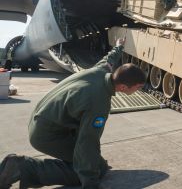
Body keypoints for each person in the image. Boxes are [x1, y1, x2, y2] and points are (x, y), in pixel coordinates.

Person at [0, 38, 146, 189]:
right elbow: (87, 142)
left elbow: (108, 60)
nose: (138, 90)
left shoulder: (101, 71)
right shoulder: (98, 102)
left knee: (97, 164)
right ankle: (22, 168)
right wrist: (90, 182)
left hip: (42, 119)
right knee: (93, 169)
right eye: (137, 87)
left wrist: (118, 47)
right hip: (46, 134)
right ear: (123, 86)